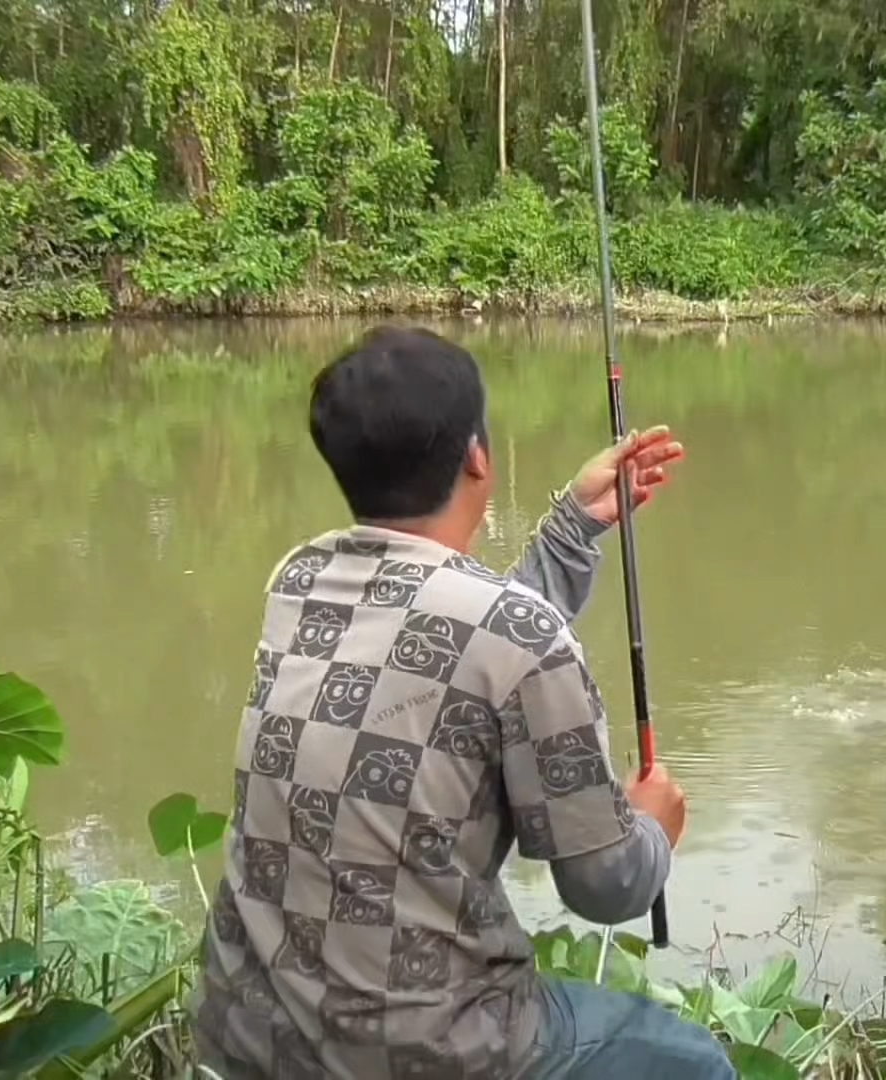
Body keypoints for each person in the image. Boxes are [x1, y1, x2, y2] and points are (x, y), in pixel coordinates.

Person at [193, 326, 734, 1080]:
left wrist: (573, 530)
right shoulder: (523, 638)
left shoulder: (299, 581)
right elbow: (605, 889)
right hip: (431, 1052)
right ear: (479, 455)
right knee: (693, 1063)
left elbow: (454, 648)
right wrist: (652, 831)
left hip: (249, 1031)